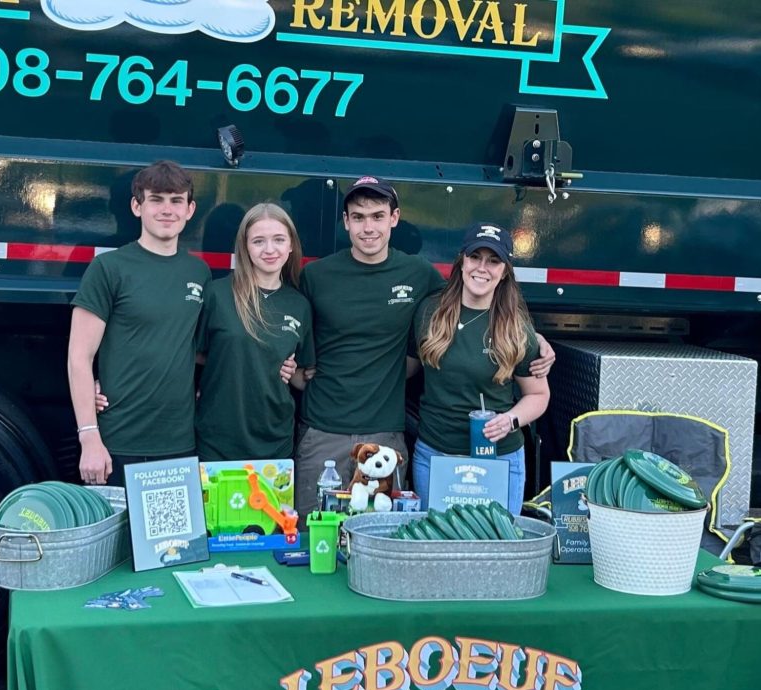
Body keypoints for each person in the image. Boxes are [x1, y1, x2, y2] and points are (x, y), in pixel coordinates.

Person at [293, 176, 446, 515]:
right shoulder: (316, 276)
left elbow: (470, 307)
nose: (368, 227)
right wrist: (290, 372)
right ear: (346, 222)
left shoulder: (417, 273)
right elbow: (284, 327)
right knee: (313, 533)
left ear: (394, 218)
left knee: (378, 536)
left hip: (384, 436)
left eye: (377, 216)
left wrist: (533, 337)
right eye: (358, 217)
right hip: (322, 432)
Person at [67, 160, 209, 485]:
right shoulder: (108, 268)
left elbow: (201, 349)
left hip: (179, 445)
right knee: (117, 538)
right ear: (137, 206)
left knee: (173, 539)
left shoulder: (198, 273)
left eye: (176, 201)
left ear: (190, 209)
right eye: (156, 199)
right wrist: (89, 438)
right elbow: (79, 357)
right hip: (117, 442)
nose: (167, 210)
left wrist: (283, 361)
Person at [409, 222, 551, 516]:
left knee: (496, 551)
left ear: (505, 271)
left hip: (498, 460)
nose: (482, 268)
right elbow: (404, 369)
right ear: (461, 261)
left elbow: (538, 395)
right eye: (475, 257)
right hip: (436, 455)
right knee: (435, 550)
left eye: (494, 260)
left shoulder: (515, 327)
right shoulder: (429, 312)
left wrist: (510, 420)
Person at [192, 203, 313, 460]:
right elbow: (193, 354)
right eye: (258, 241)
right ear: (245, 247)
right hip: (216, 439)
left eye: (278, 239)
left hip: (275, 442)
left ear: (291, 245)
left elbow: (302, 375)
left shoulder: (299, 304)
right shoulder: (217, 294)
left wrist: (294, 373)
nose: (269, 250)